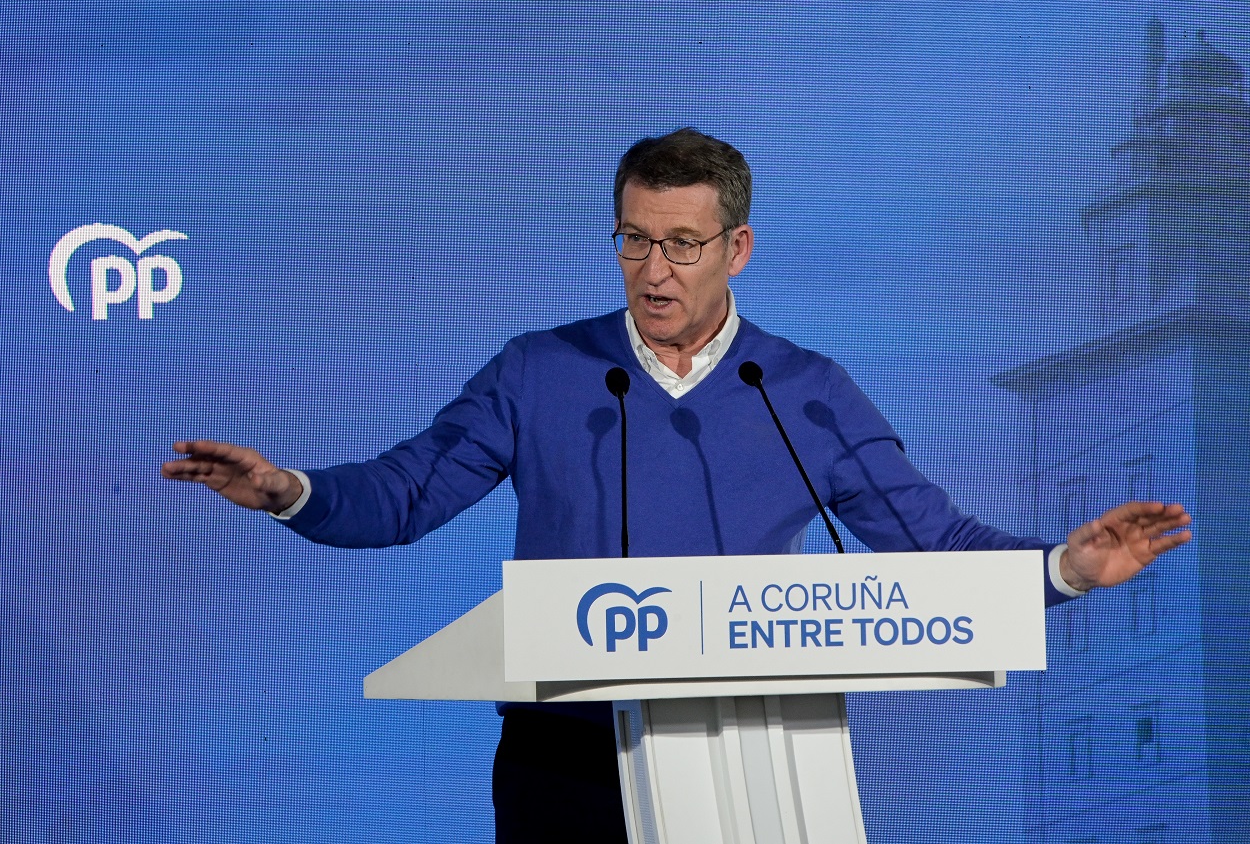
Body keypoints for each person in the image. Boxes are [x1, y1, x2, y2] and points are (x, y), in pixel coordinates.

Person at [162, 128, 1192, 843]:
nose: (652, 270)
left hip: (748, 745)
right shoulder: (538, 368)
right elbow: (404, 492)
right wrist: (288, 488)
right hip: (562, 755)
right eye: (632, 238)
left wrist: (1062, 566)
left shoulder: (803, 388)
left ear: (734, 248)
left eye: (681, 244)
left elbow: (928, 543)